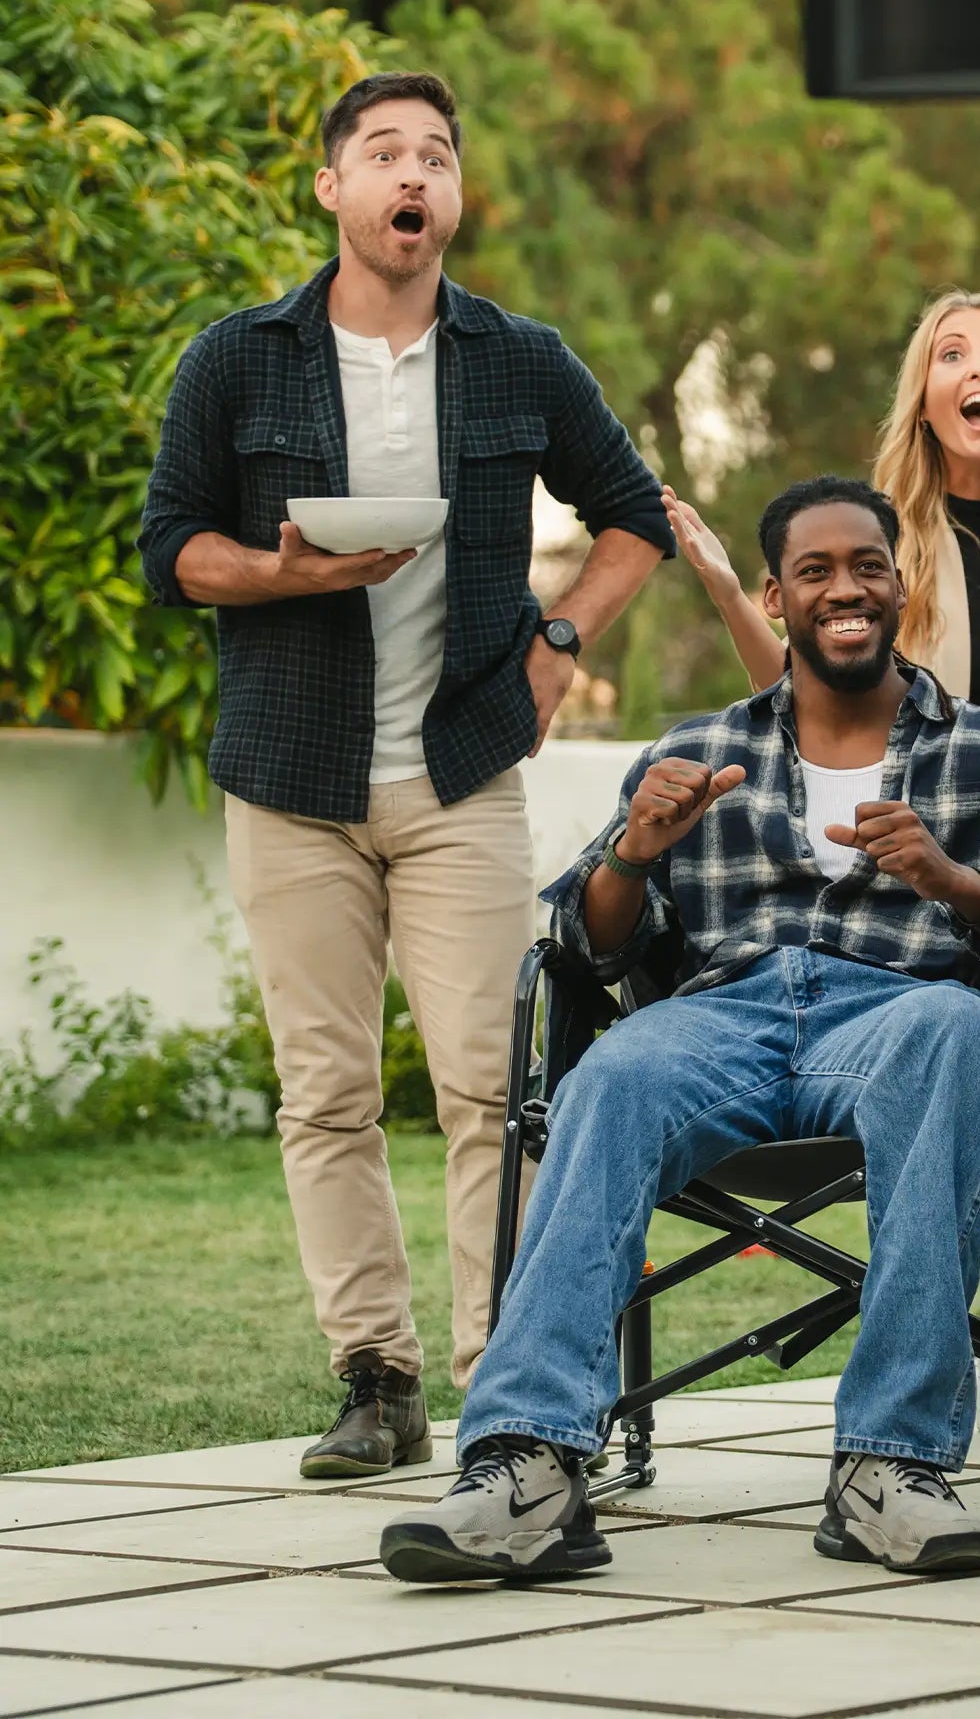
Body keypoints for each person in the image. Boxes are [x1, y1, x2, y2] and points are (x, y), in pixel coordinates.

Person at [379, 478, 980, 1584]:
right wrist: (632, 849)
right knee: (609, 1075)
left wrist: (958, 882)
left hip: (903, 1010)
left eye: (866, 564)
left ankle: (888, 1466)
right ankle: (526, 1462)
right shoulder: (699, 746)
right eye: (813, 571)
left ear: (899, 585)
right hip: (725, 1014)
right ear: (774, 598)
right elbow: (586, 941)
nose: (844, 588)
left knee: (957, 1036)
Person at [136, 72, 676, 1477]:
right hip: (288, 775)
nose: (412, 173)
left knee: (493, 1090)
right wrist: (280, 571)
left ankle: (513, 1381)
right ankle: (374, 1381)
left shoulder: (518, 359)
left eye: (436, 152)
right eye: (384, 152)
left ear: (452, 195)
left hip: (458, 775)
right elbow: (174, 548)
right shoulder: (239, 358)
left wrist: (560, 640)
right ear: (334, 189)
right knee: (324, 1096)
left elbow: (634, 518)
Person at [664, 291, 980, 1440]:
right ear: (924, 395)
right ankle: (934, 1335)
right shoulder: (885, 535)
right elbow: (796, 682)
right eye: (950, 353)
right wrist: (734, 590)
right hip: (897, 863)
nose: (978, 370)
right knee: (929, 1081)